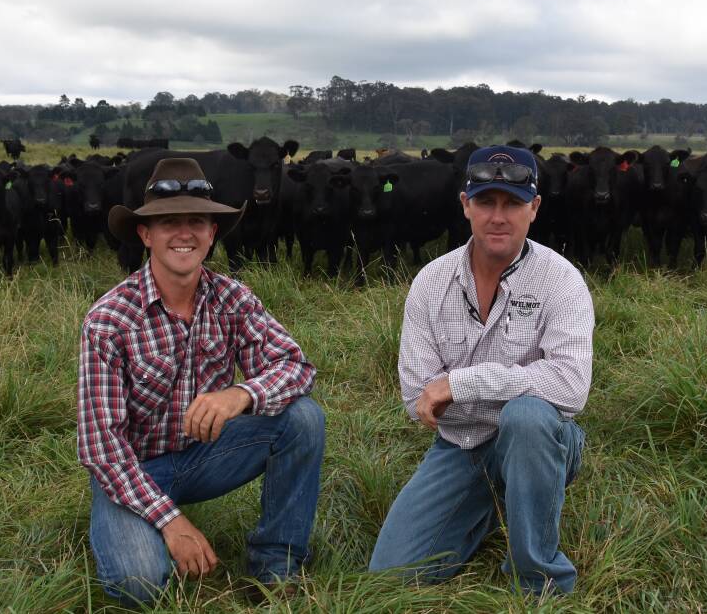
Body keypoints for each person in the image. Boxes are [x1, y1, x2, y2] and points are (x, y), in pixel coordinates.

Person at [78, 157, 325, 605]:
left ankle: (276, 567)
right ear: (145, 234)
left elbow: (296, 366)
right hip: (134, 471)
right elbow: (101, 447)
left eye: (197, 221)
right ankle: (137, 525)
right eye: (168, 221)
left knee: (303, 418)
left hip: (207, 456)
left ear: (213, 233)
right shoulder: (109, 320)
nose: (184, 233)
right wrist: (173, 523)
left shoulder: (233, 298)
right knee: (140, 583)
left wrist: (241, 393)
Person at [368, 145, 594, 595]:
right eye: (487, 202)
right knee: (391, 578)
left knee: (527, 418)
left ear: (535, 208)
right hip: (461, 445)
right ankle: (496, 500)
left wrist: (459, 383)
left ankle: (539, 580)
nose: (499, 216)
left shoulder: (561, 279)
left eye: (512, 203)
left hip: (538, 436)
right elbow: (418, 397)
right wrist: (512, 384)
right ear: (465, 205)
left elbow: (570, 387)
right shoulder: (431, 282)